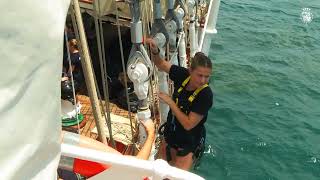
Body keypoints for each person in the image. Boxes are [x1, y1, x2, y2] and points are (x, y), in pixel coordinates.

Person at [146, 38, 214, 170]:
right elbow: (160, 64)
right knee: (157, 175)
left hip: (187, 146)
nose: (203, 80)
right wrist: (155, 51)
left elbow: (188, 124)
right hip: (170, 137)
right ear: (190, 70)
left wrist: (171, 102)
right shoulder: (183, 75)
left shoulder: (205, 95)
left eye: (207, 76)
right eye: (199, 75)